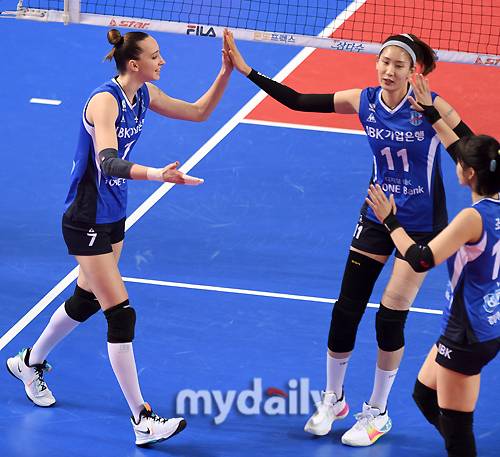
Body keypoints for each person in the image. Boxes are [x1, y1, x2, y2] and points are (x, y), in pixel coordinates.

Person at [225, 29, 474, 446]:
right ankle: (334, 399)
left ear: (413, 71)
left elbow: (472, 155)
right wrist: (247, 70)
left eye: (398, 65)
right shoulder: (364, 101)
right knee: (345, 310)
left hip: (419, 224)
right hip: (377, 213)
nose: (389, 71)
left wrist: (433, 114)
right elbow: (298, 101)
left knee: (389, 317)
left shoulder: (432, 105)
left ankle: (377, 412)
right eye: (384, 62)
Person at [6, 28, 233, 446]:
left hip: (113, 213)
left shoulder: (143, 94)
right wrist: (158, 175)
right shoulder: (105, 102)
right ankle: (142, 419)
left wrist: (225, 72)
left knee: (86, 299)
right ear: (134, 64)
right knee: (121, 313)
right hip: (86, 218)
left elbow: (199, 112)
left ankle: (28, 362)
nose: (162, 61)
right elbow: (108, 162)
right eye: (155, 56)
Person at [366, 73, 500, 457]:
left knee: (458, 434)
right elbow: (461, 148)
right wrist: (430, 113)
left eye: (461, 163)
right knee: (424, 395)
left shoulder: (472, 219)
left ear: (468, 174)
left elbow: (421, 258)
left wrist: (390, 221)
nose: (455, 162)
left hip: (467, 333)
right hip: (484, 322)